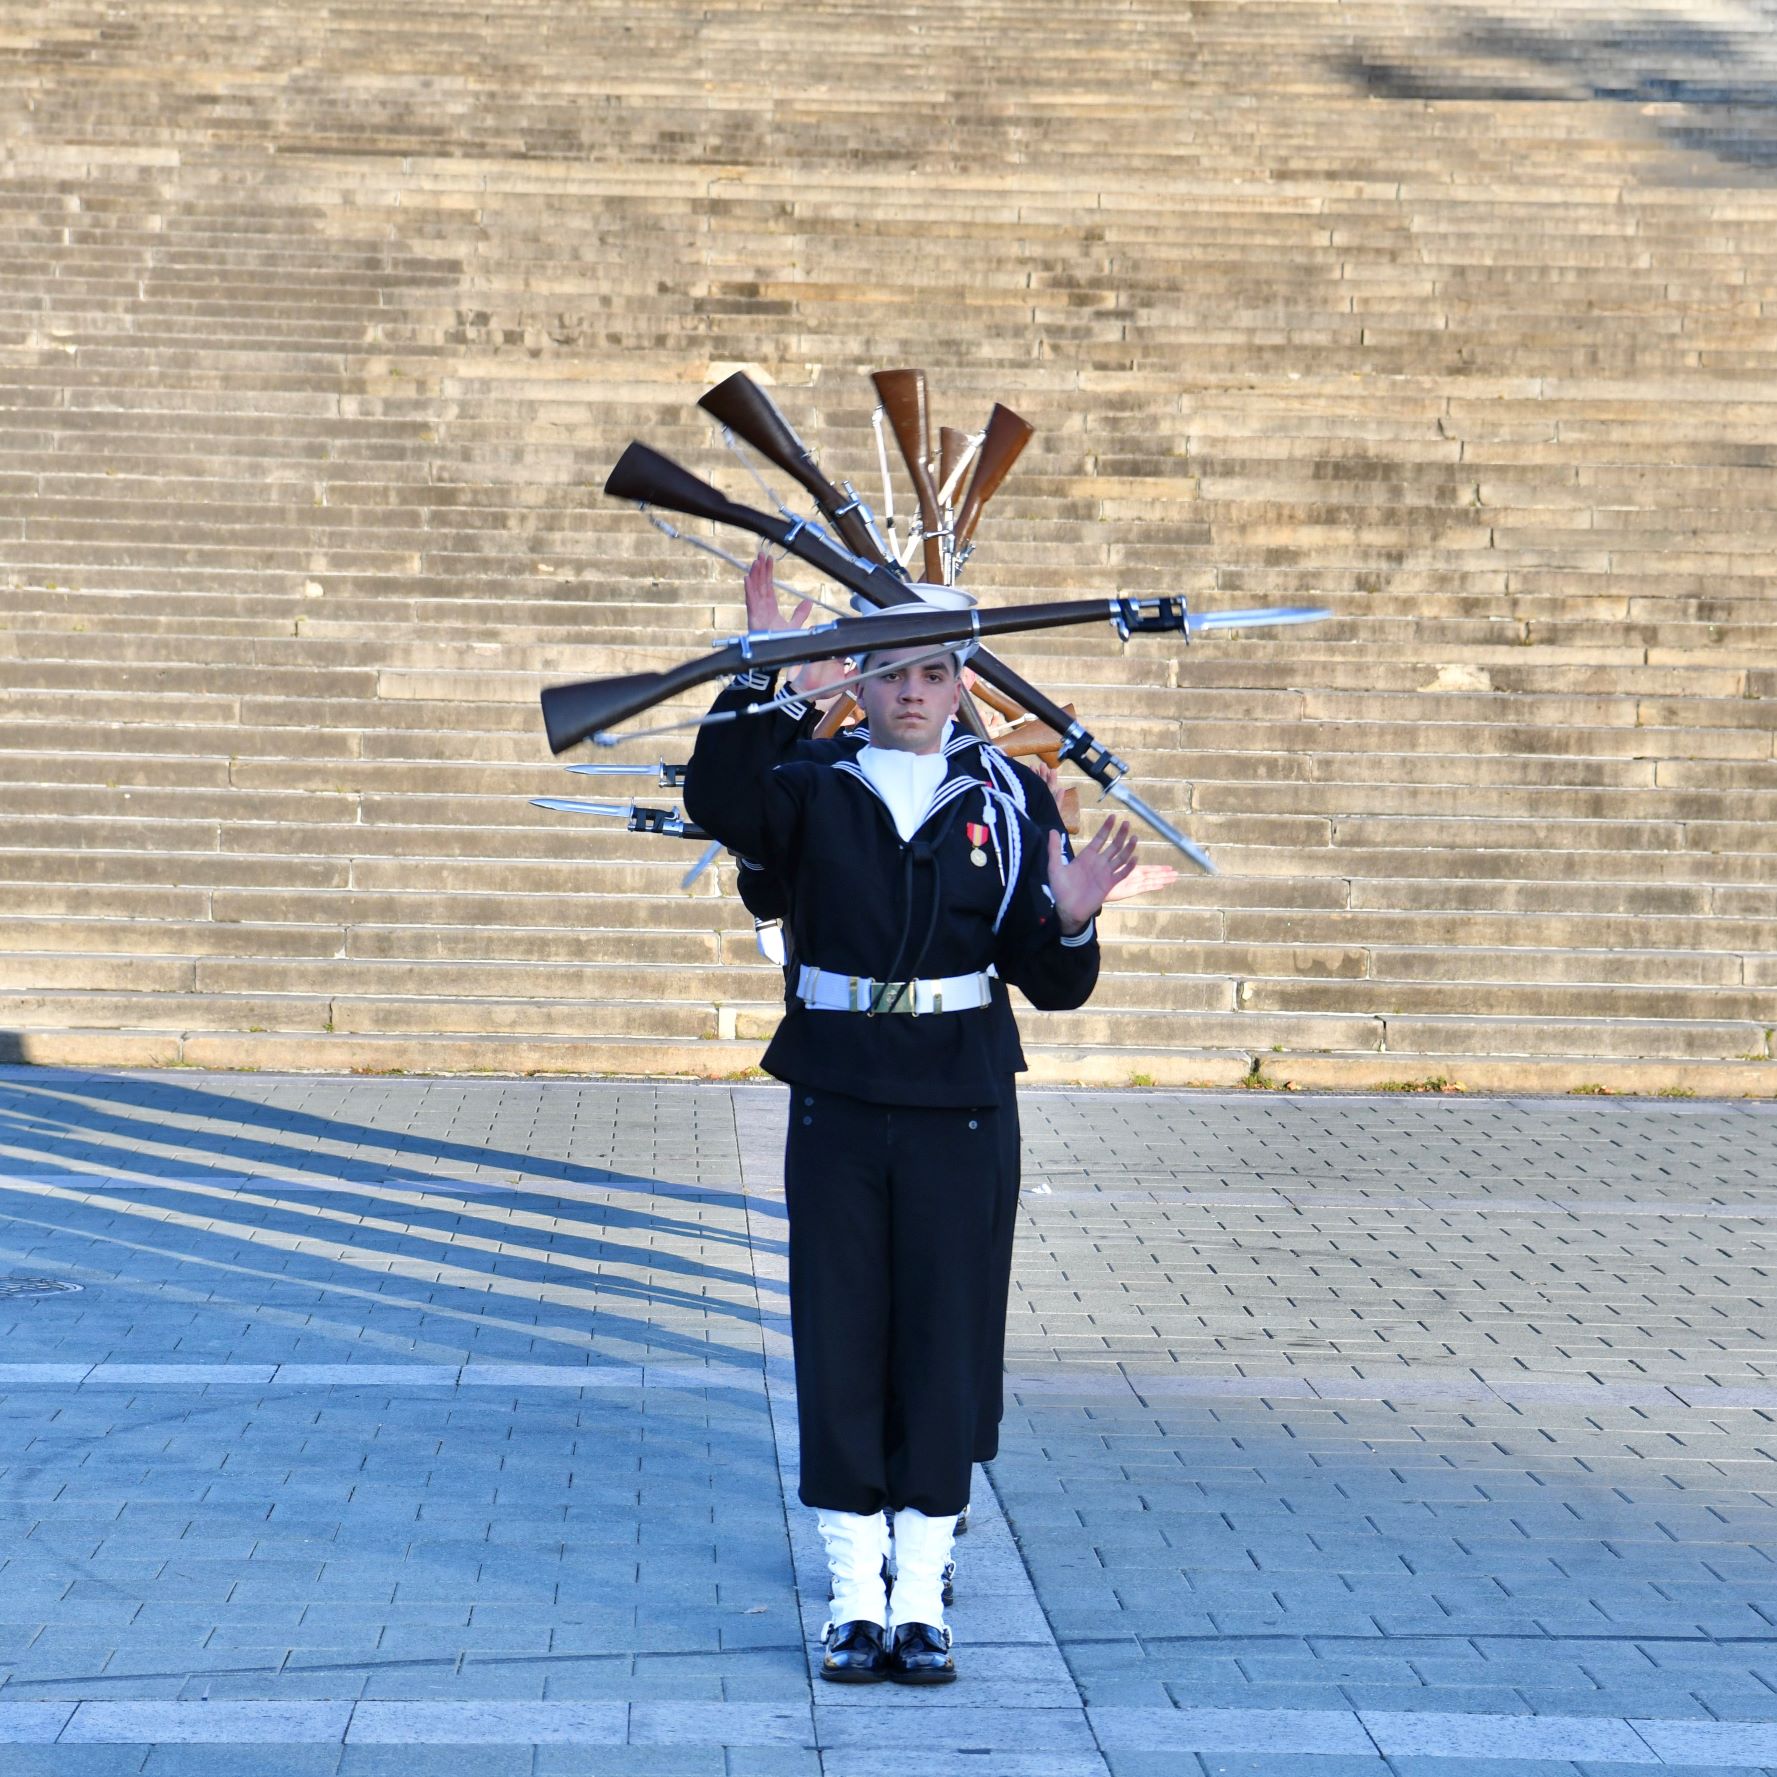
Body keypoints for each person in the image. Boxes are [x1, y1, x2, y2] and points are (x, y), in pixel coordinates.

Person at [685, 588, 1136, 1686]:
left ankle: (922, 1594)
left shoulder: (1010, 792)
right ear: (854, 678)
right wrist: (764, 671)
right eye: (888, 671)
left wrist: (1069, 917)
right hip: (839, 1093)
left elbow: (1050, 979)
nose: (912, 692)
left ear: (960, 681)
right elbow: (718, 800)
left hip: (961, 1099)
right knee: (840, 1338)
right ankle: (851, 1594)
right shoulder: (806, 784)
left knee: (945, 1340)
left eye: (934, 672)